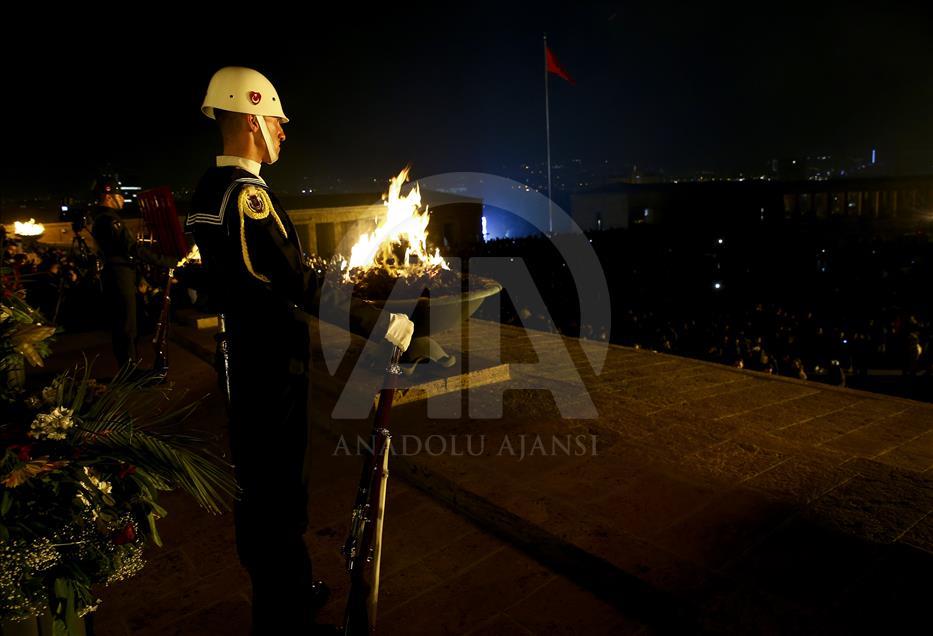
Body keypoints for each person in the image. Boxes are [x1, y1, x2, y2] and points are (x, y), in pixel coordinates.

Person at [186, 66, 413, 634]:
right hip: (269, 361)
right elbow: (298, 286)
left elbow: (224, 277)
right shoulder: (248, 197)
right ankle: (285, 608)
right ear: (252, 119)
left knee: (258, 482)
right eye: (278, 122)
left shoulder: (207, 192)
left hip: (241, 352)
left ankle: (281, 589)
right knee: (281, 490)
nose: (284, 133)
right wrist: (379, 324)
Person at [88, 177, 178, 368]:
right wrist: (168, 262)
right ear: (108, 196)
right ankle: (130, 372)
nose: (122, 199)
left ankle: (130, 368)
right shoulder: (108, 219)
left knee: (128, 323)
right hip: (119, 274)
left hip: (121, 273)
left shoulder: (103, 218)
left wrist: (138, 277)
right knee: (126, 326)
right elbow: (132, 248)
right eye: (119, 195)